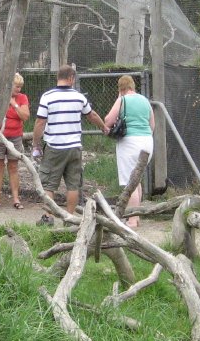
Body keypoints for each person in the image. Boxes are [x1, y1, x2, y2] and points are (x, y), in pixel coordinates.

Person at [31, 65, 107, 225]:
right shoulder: (79, 97)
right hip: (74, 147)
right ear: (71, 78)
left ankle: (48, 217)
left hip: (54, 147)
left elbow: (40, 122)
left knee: (49, 184)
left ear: (58, 77)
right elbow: (91, 115)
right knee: (73, 185)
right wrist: (103, 126)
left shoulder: (47, 96)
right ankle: (70, 219)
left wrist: (36, 144)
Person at [103, 75, 155, 228]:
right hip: (147, 141)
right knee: (136, 179)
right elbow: (152, 125)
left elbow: (108, 121)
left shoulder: (122, 100)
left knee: (129, 183)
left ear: (120, 89)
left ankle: (132, 220)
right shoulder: (145, 101)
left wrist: (119, 99)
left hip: (130, 143)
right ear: (133, 86)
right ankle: (136, 217)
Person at [0, 73, 30, 210]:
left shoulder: (22, 98)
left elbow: (25, 116)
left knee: (13, 167)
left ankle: (16, 199)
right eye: (16, 86)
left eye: (20, 87)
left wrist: (14, 104)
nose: (19, 89)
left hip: (15, 137)